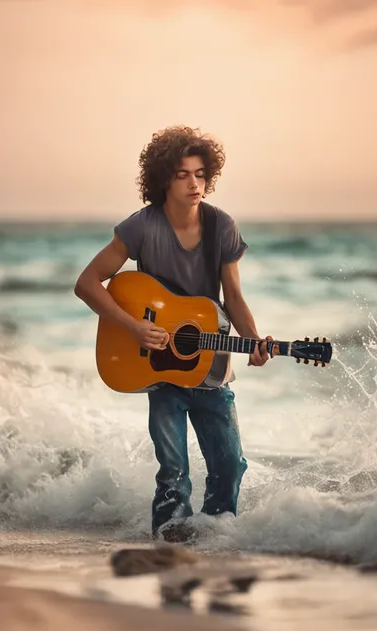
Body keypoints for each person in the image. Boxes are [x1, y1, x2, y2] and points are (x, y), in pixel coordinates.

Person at [74, 126, 272, 542]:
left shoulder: (222, 226)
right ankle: (169, 552)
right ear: (164, 177)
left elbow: (233, 298)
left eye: (200, 174)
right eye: (183, 174)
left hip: (211, 367)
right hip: (160, 369)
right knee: (174, 474)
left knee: (230, 465)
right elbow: (88, 283)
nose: (194, 183)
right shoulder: (141, 227)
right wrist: (133, 326)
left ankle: (216, 541)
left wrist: (253, 340)